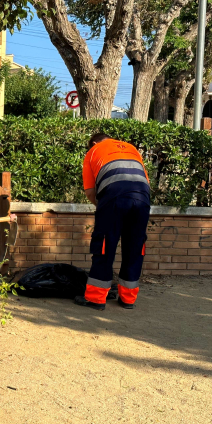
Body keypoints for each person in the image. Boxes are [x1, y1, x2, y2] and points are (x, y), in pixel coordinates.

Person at [75, 132, 151, 311]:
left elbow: (90, 191)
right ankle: (128, 299)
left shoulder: (93, 152)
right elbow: (145, 181)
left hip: (114, 197)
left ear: (94, 142)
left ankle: (96, 298)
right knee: (135, 247)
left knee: (104, 245)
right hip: (142, 198)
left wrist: (102, 206)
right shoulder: (132, 149)